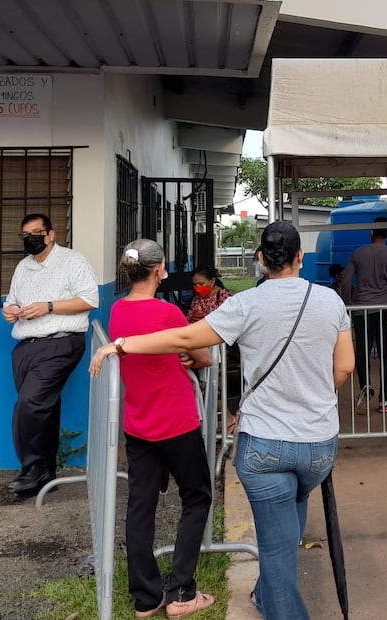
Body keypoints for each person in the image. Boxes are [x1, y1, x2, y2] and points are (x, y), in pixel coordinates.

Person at [91, 221, 355, 620]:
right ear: (301, 257)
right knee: (293, 512)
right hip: (317, 444)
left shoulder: (245, 304)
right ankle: (268, 597)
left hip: (264, 444)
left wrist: (123, 344)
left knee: (277, 547)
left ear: (261, 260)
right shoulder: (330, 301)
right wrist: (315, 397)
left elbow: (185, 340)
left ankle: (277, 602)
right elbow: (345, 367)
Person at [110, 240, 215, 619]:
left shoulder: (117, 312)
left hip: (138, 423)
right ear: (159, 270)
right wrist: (189, 355)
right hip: (176, 420)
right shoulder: (168, 312)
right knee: (197, 496)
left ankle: (145, 597)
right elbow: (201, 355)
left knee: (140, 507)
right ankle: (182, 592)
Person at [2, 212, 99, 498]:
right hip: (25, 347)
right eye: (25, 235)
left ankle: (30, 468)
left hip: (60, 343)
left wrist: (49, 307)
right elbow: (11, 300)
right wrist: (9, 311)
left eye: (36, 233)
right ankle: (45, 474)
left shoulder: (73, 261)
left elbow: (90, 299)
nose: (30, 239)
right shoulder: (23, 267)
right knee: (44, 408)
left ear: (50, 234)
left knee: (29, 404)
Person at [339, 219, 387, 414]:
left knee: (362, 352)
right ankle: (384, 400)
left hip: (361, 311)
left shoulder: (357, 254)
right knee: (386, 355)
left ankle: (365, 388)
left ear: (371, 232)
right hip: (386, 311)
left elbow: (345, 283)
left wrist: (348, 306)